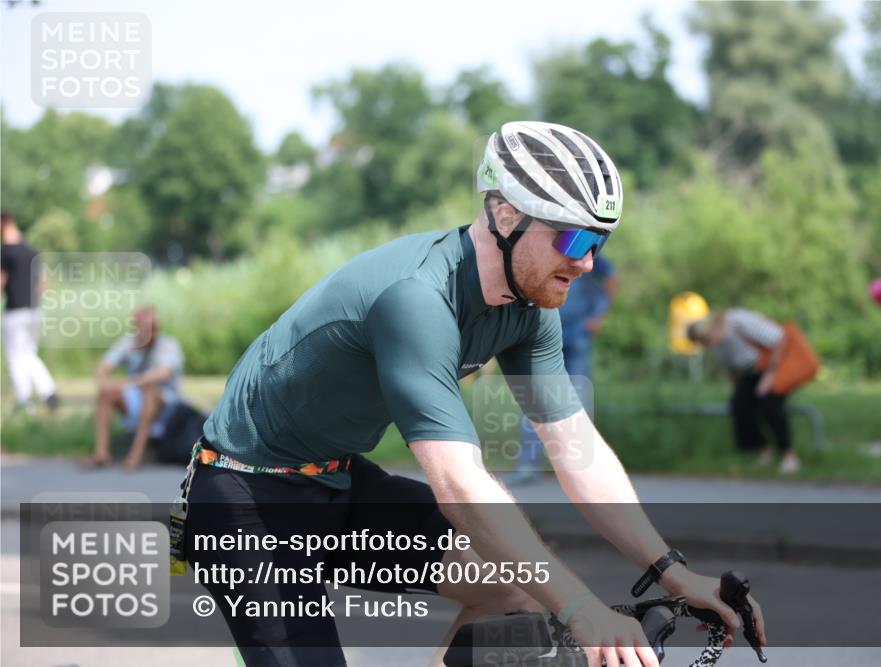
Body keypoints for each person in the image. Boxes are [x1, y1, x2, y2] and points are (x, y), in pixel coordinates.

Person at [182, 121, 765, 667]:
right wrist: (583, 610)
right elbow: (460, 486)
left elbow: (574, 448)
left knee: (516, 589)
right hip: (246, 493)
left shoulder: (530, 305)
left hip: (334, 479)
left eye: (600, 242)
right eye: (574, 236)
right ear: (506, 215)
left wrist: (672, 574)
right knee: (549, 593)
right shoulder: (415, 299)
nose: (586, 262)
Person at [509, 254, 618, 484]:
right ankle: (528, 465)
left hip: (577, 332)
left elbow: (611, 278)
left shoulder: (584, 250)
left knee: (578, 399)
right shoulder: (543, 248)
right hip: (542, 332)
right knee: (535, 397)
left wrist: (598, 315)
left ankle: (579, 469)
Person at [687, 309, 801, 474]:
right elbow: (732, 369)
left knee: (769, 399)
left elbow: (780, 338)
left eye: (706, 341)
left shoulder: (739, 321)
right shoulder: (719, 343)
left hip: (776, 365)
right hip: (750, 373)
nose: (707, 346)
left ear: (711, 330)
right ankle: (763, 449)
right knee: (739, 404)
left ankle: (789, 455)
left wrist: (769, 375)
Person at [83, 306, 184, 470]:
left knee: (149, 391)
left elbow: (163, 373)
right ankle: (101, 453)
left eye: (152, 329)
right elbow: (102, 369)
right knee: (106, 393)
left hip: (166, 403)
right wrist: (105, 383)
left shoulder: (168, 344)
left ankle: (136, 455)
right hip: (136, 399)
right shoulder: (127, 342)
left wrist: (132, 382)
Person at [0, 211, 59, 413]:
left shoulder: (5, 253)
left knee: (15, 357)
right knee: (28, 354)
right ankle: (49, 391)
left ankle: (24, 400)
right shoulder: (32, 251)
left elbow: (1, 281)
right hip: (34, 311)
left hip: (15, 311)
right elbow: (44, 281)